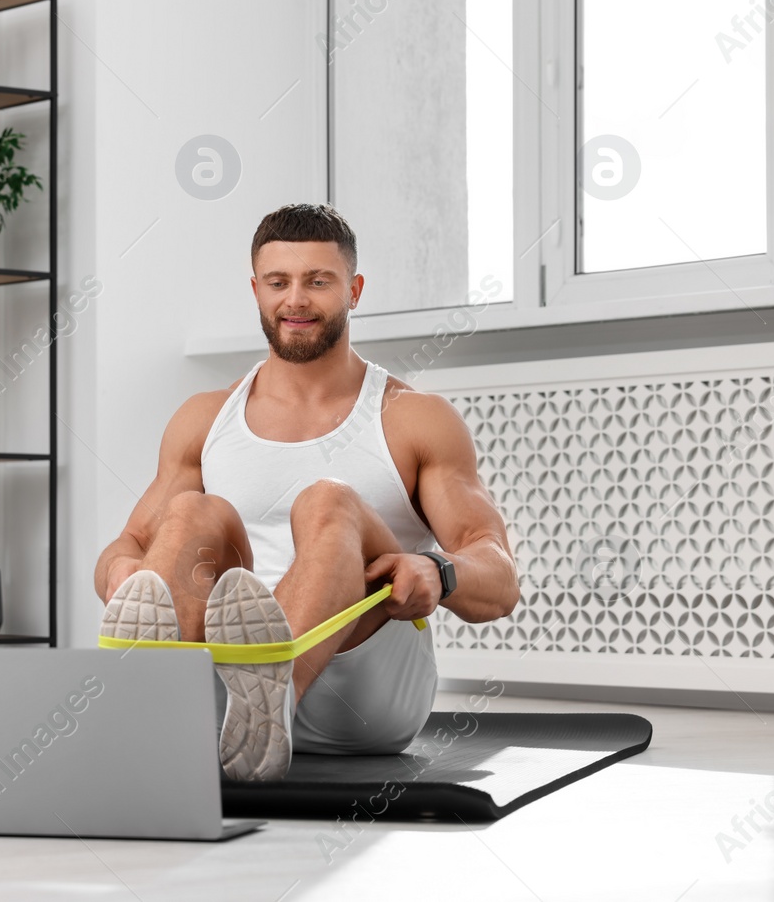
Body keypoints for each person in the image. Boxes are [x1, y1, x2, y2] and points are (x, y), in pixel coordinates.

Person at [94, 203, 519, 781]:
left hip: (364, 697)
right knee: (194, 512)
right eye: (278, 282)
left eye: (318, 282)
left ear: (354, 290)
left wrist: (438, 571)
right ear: (256, 290)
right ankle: (177, 703)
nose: (295, 300)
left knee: (328, 500)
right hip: (219, 694)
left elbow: (499, 576)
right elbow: (126, 547)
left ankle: (269, 693)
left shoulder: (414, 417)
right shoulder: (204, 418)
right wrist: (124, 576)